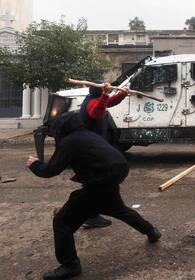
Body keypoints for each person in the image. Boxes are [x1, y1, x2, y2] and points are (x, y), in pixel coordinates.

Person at [26, 112, 161, 280]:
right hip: (114, 174)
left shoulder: (69, 142)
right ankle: (151, 231)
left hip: (99, 181)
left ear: (60, 128)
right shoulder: (88, 135)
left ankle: (70, 265)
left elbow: (50, 170)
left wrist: (34, 164)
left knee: (62, 222)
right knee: (118, 209)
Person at [79, 81, 129, 229]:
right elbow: (97, 112)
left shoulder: (94, 100)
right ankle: (89, 216)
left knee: (94, 182)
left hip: (93, 147)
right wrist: (106, 94)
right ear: (100, 92)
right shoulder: (92, 104)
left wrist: (122, 94)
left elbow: (108, 103)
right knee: (93, 182)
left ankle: (86, 213)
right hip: (91, 149)